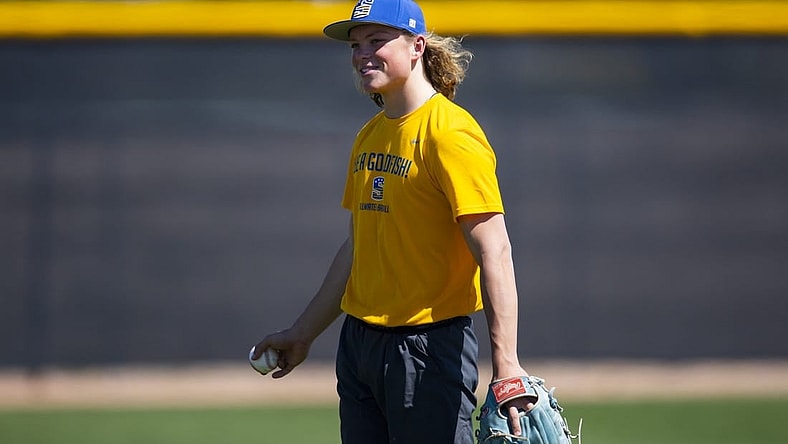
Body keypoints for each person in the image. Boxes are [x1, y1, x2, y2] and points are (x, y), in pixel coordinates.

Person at [252, 0, 534, 442]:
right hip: (360, 346)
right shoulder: (371, 134)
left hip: (427, 349)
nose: (363, 53)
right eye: (357, 44)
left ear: (417, 46)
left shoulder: (449, 133)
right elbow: (357, 246)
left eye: (378, 41)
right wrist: (303, 333)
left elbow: (494, 248)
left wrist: (507, 364)